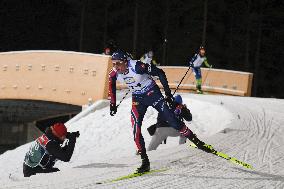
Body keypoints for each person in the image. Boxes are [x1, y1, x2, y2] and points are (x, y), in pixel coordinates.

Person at [109, 50, 214, 173]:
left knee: (173, 121)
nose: (116, 67)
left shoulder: (137, 66)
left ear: (126, 62)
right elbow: (111, 84)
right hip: (138, 99)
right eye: (114, 64)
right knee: (135, 130)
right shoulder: (114, 72)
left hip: (152, 93)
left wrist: (168, 95)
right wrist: (112, 104)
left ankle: (199, 143)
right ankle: (145, 163)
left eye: (118, 63)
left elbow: (160, 73)